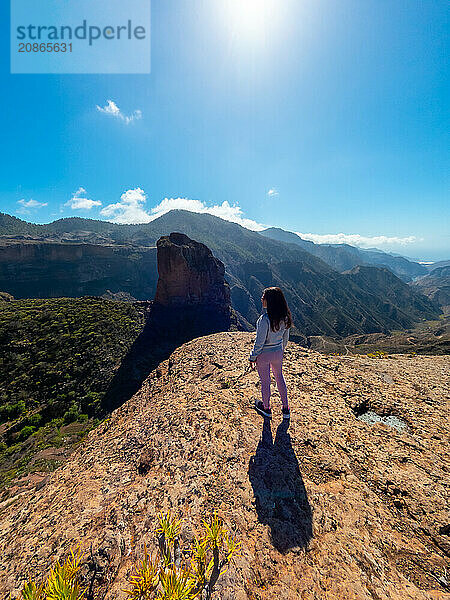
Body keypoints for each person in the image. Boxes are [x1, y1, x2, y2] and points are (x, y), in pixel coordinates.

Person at [249, 286, 292, 420]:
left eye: (264, 297)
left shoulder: (264, 320)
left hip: (264, 355)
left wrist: (253, 357)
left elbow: (259, 342)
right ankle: (286, 409)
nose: (261, 298)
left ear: (270, 300)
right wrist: (280, 351)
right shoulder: (285, 317)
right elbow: (285, 338)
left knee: (265, 382)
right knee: (279, 377)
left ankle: (266, 408)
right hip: (278, 352)